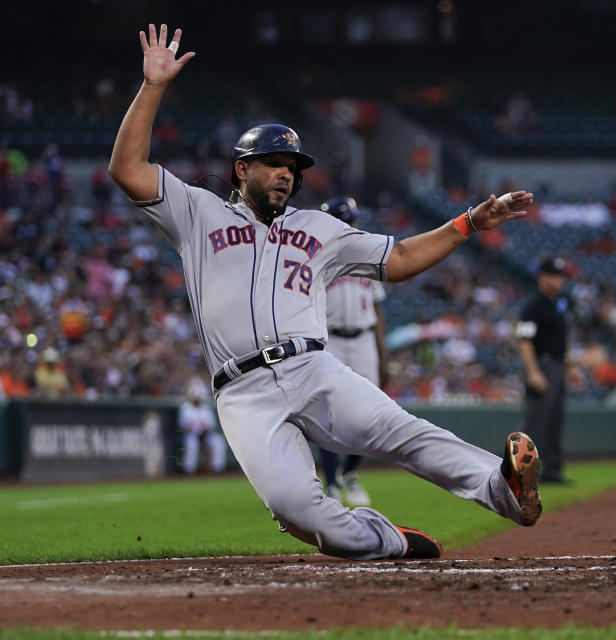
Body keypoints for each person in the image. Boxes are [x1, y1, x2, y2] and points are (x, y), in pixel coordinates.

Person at [107, 24, 541, 561]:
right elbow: (127, 169)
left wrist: (466, 224)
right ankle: (387, 540)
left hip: (313, 368)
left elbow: (400, 258)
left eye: (292, 167)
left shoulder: (319, 229)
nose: (286, 174)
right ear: (242, 169)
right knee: (300, 512)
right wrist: (153, 86)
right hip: (242, 391)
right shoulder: (198, 213)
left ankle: (502, 489)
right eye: (273, 164)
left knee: (403, 432)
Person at [315, 196, 388, 507]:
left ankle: (350, 472)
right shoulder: (317, 258)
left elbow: (377, 310)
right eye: (343, 221)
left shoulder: (368, 257)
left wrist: (384, 356)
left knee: (369, 414)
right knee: (326, 415)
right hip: (330, 339)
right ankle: (331, 483)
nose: (348, 226)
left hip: (363, 341)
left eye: (351, 221)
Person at [515, 257, 579, 484]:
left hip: (558, 364)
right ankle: (523, 473)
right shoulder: (534, 305)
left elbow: (563, 341)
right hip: (542, 364)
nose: (557, 281)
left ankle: (552, 471)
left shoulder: (560, 304)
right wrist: (533, 371)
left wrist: (569, 367)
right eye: (552, 275)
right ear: (541, 277)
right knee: (537, 421)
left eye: (560, 276)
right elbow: (524, 340)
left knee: (554, 420)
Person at [178, 377, 227, 475]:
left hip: (205, 435)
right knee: (192, 443)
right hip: (191, 435)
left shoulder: (206, 408)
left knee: (218, 441)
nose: (197, 398)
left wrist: (203, 435)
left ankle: (217, 468)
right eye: (195, 396)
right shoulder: (185, 407)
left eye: (199, 396)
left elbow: (210, 427)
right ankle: (189, 470)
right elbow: (183, 427)